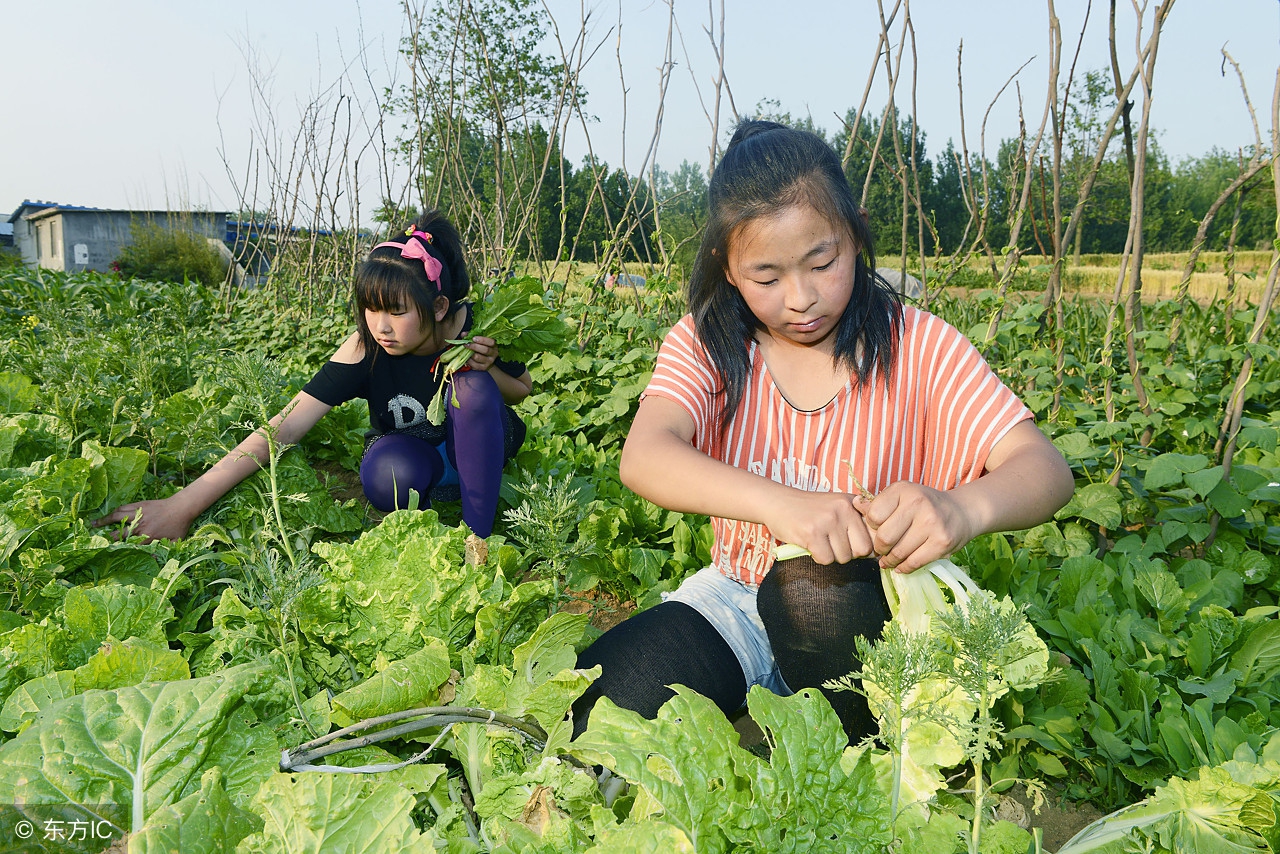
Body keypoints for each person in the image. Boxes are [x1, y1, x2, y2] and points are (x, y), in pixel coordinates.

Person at [570, 120, 1074, 742]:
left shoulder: (918, 344)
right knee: (593, 716)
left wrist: (962, 510)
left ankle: (860, 738)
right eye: (767, 277)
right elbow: (644, 457)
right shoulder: (708, 343)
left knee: (812, 590)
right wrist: (780, 506)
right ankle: (777, 710)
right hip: (734, 595)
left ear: (855, 235)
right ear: (727, 267)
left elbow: (1046, 469)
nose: (802, 298)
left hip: (874, 614)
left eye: (822, 262)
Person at [95, 212, 532, 541]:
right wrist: (183, 504)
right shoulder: (366, 348)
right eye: (371, 308)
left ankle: (480, 539)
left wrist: (487, 365)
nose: (381, 326)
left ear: (438, 308)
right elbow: (286, 424)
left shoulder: (479, 325)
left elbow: (521, 391)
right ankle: (441, 494)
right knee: (386, 474)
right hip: (420, 455)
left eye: (396, 312)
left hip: (479, 448)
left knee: (472, 388)